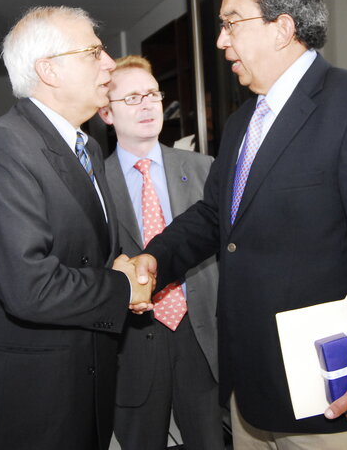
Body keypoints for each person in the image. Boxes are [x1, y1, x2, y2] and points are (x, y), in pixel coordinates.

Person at [131, 0, 347, 450]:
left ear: (282, 28)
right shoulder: (245, 121)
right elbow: (214, 216)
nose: (221, 41)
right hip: (251, 388)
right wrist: (155, 259)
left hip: (332, 395)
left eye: (231, 24)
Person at [0, 6, 153, 450]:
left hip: (82, 376)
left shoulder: (88, 147)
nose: (110, 63)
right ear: (49, 70)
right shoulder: (3, 145)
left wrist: (113, 260)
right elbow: (30, 287)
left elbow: (86, 249)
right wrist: (121, 288)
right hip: (29, 398)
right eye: (94, 52)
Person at [98, 55, 224, 450]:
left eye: (152, 94)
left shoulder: (205, 170)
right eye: (132, 98)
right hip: (131, 342)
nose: (148, 104)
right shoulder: (92, 184)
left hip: (200, 335)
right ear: (106, 112)